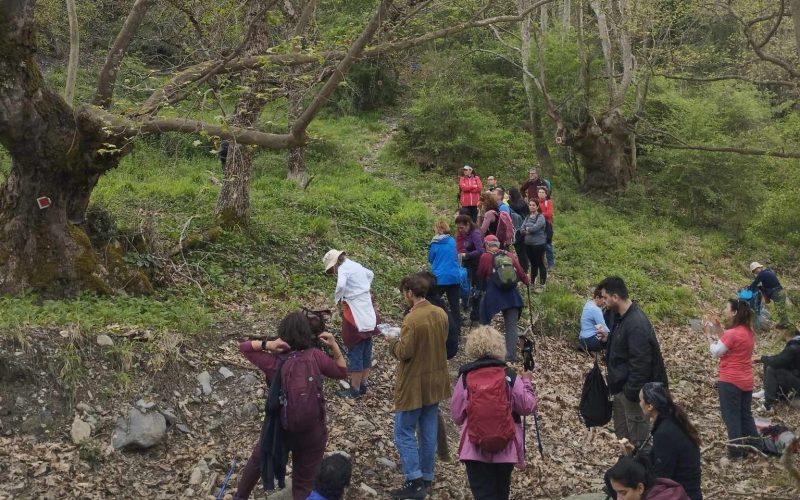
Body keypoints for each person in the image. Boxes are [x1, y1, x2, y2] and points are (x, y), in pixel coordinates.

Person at [235, 312, 347, 500]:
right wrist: (334, 346)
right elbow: (341, 371)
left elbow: (244, 347)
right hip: (312, 430)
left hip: (279, 429)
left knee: (258, 460)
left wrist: (267, 344)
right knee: (304, 481)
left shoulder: (272, 362)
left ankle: (240, 497)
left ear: (282, 334)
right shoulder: (316, 356)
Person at [451, 326, 538, 500]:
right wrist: (526, 381)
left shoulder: (466, 377)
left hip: (474, 448)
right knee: (500, 493)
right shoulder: (509, 375)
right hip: (505, 447)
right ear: (500, 346)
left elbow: (457, 416)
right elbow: (527, 406)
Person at [389, 274, 451, 499]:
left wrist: (392, 343)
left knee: (403, 430)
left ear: (409, 293)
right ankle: (426, 476)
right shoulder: (440, 313)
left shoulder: (412, 319)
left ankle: (414, 480)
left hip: (414, 382)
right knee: (428, 429)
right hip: (435, 380)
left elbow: (405, 352)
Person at [596, 276, 668, 451]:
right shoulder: (619, 317)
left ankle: (643, 473)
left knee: (639, 440)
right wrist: (607, 339)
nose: (603, 302)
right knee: (624, 438)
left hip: (633, 394)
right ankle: (628, 470)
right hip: (620, 389)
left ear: (615, 297)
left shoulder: (636, 324)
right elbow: (623, 349)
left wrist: (630, 392)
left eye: (605, 298)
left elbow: (641, 363)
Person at [608, 383, 702, 500]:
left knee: (617, 477)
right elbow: (657, 459)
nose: (639, 404)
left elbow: (661, 474)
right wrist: (634, 452)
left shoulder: (665, 432)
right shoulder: (670, 420)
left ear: (650, 406)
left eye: (641, 400)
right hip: (681, 487)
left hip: (682, 493)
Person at [704, 298, 759, 458]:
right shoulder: (748, 332)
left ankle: (735, 453)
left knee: (731, 417)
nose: (724, 310)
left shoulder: (733, 333)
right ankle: (756, 446)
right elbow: (730, 345)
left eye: (726, 308)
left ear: (734, 312)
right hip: (746, 379)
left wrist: (708, 336)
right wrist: (720, 328)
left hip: (730, 380)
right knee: (745, 414)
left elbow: (716, 351)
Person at [323, 249, 378, 399]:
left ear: (334, 264)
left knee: (355, 352)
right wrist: (364, 289)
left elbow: (341, 285)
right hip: (368, 312)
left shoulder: (343, 269)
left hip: (355, 314)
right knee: (366, 350)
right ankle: (363, 385)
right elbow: (371, 274)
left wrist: (337, 299)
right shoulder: (355, 265)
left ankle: (354, 390)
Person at [476, 235, 531, 362]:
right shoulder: (509, 255)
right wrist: (526, 281)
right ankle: (510, 356)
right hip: (512, 295)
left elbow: (480, 274)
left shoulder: (485, 256)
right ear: (498, 245)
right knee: (511, 326)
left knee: (485, 321)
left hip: (493, 295)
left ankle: (485, 351)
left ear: (487, 245)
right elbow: (521, 272)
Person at [428, 220, 462, 358]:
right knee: (455, 305)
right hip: (454, 277)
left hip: (439, 278)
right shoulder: (453, 241)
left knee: (433, 301)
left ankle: (435, 327)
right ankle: (457, 331)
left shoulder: (435, 243)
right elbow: (458, 256)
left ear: (437, 229)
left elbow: (430, 258)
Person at [754, 327, 800, 411]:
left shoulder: (794, 347)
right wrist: (764, 359)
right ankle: (771, 394)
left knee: (771, 369)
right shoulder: (796, 343)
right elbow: (782, 359)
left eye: (779, 332)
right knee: (768, 362)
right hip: (796, 377)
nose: (777, 335)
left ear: (786, 332)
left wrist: (762, 358)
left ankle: (768, 405)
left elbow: (779, 361)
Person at [607, 456, 691, 500]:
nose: (618, 499)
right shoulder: (658, 488)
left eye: (623, 493)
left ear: (640, 488)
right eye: (616, 492)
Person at [748, 262, 792, 329]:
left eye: (755, 270)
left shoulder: (762, 274)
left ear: (759, 268)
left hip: (777, 293)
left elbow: (754, 284)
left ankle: (785, 326)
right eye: (754, 271)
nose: (755, 272)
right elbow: (768, 284)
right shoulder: (768, 272)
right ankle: (783, 324)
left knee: (781, 310)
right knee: (780, 309)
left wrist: (747, 290)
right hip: (780, 292)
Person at [520, 199, 547, 292]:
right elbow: (521, 229)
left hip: (538, 244)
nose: (531, 206)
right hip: (528, 244)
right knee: (533, 263)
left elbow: (536, 228)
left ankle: (543, 284)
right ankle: (532, 283)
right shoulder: (527, 217)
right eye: (530, 205)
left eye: (533, 205)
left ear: (537, 206)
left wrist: (528, 229)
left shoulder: (540, 217)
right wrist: (525, 230)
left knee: (540, 263)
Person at [455, 214, 484, 290]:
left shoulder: (475, 234)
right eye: (458, 228)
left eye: (462, 228)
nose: (460, 230)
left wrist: (466, 255)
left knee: (477, 286)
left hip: (477, 264)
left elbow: (480, 251)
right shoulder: (466, 233)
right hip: (470, 263)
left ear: (467, 224)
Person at [579, 287, 610, 352]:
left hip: (582, 339)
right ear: (597, 298)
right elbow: (604, 329)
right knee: (612, 338)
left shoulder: (588, 303)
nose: (605, 301)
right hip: (590, 340)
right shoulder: (596, 309)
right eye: (603, 298)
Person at [507, 187, 530, 272]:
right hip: (517, 227)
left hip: (523, 227)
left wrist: (508, 201)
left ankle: (525, 268)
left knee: (521, 248)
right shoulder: (515, 202)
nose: (508, 196)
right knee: (518, 248)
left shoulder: (521, 201)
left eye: (509, 194)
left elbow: (517, 208)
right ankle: (522, 267)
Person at [536, 187, 555, 270]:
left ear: (546, 194)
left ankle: (551, 265)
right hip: (538, 226)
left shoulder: (548, 202)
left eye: (543, 192)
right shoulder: (535, 202)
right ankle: (541, 262)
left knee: (548, 246)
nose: (541, 193)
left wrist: (539, 214)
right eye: (539, 192)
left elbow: (549, 214)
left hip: (547, 226)